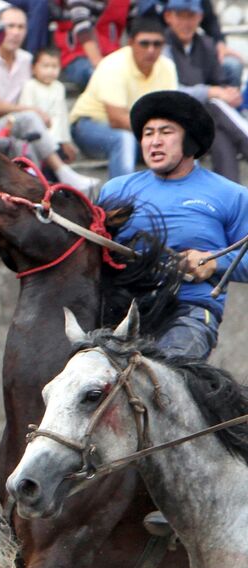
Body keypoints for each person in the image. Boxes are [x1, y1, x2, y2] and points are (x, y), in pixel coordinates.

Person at [102, 91, 248, 359]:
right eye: (148, 133)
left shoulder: (232, 195)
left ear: (190, 140)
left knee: (165, 372)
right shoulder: (115, 190)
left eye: (166, 132)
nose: (154, 141)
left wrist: (214, 263)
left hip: (188, 309)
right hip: (119, 308)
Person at [0, 6, 98, 191]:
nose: (15, 33)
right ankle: (63, 173)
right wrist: (31, 111)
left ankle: (42, 191)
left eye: (21, 27)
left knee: (35, 130)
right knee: (31, 119)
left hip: (15, 128)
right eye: (10, 26)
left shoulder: (27, 60)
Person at [70, 15, 179, 178]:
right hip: (89, 126)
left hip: (142, 130)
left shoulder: (167, 66)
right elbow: (117, 119)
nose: (151, 49)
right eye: (144, 43)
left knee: (180, 142)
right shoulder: (113, 64)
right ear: (131, 43)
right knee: (124, 139)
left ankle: (187, 197)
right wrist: (159, 132)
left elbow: (171, 113)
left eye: (157, 44)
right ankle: (120, 201)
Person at [160, 0, 248, 182]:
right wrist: (211, 92)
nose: (186, 22)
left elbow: (219, 82)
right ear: (169, 17)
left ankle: (229, 189)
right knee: (215, 105)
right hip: (176, 113)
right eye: (180, 16)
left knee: (220, 131)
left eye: (191, 16)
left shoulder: (207, 44)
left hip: (207, 117)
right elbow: (170, 90)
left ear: (200, 17)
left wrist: (229, 94)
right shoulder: (161, 45)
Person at [18, 46, 74, 159]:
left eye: (54, 67)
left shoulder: (59, 87)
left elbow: (62, 115)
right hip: (37, 139)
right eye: (45, 66)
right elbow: (26, 112)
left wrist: (66, 140)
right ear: (33, 68)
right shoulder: (30, 86)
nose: (50, 71)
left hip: (57, 139)